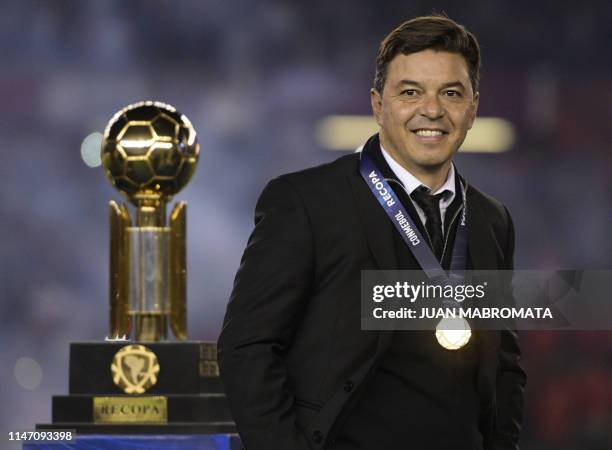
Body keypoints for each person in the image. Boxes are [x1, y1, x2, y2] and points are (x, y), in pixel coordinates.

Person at [218, 15, 526, 450]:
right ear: (378, 105)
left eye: (451, 94)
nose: (432, 110)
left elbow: (506, 366)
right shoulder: (306, 202)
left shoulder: (493, 220)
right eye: (410, 92)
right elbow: (247, 347)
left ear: (472, 109)